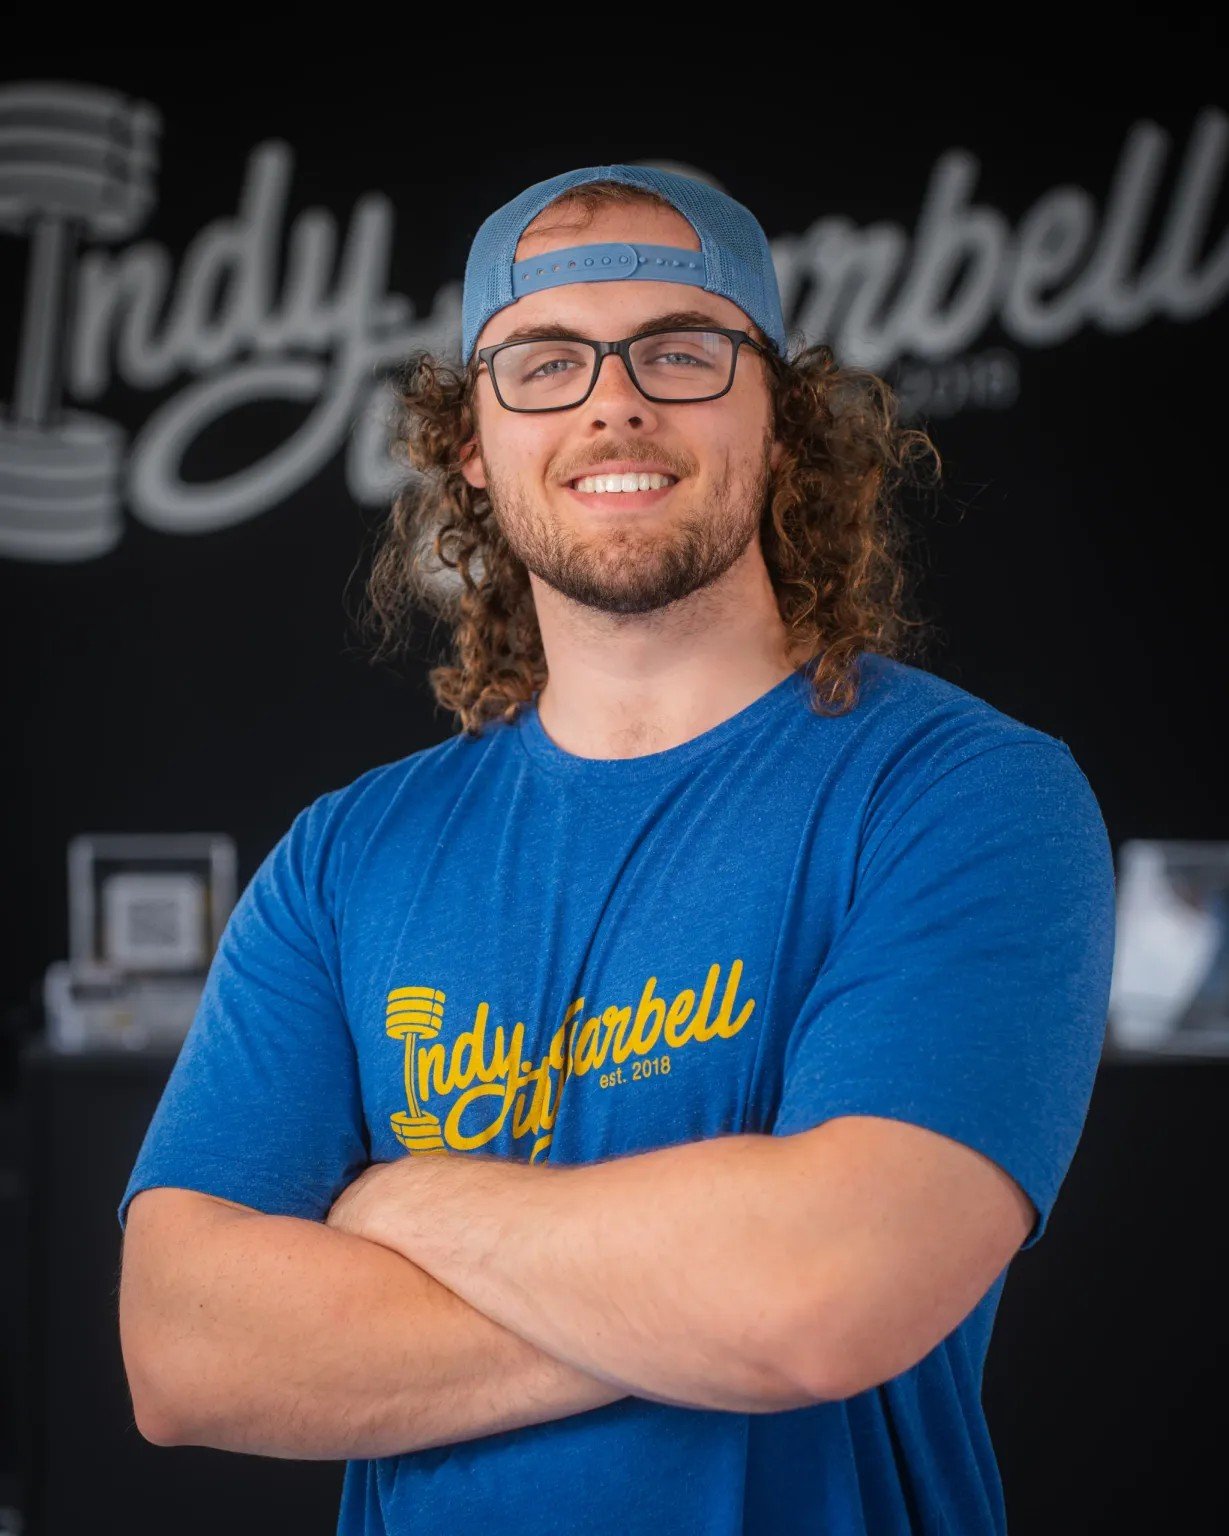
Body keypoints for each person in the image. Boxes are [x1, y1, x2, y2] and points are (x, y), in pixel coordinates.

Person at [116, 164, 1117, 1535]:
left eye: (680, 350)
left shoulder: (960, 796)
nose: (611, 400)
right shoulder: (346, 859)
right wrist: (703, 1307)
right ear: (471, 440)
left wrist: (403, 1204)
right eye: (540, 361)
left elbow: (820, 1300)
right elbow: (182, 1350)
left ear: (779, 417)